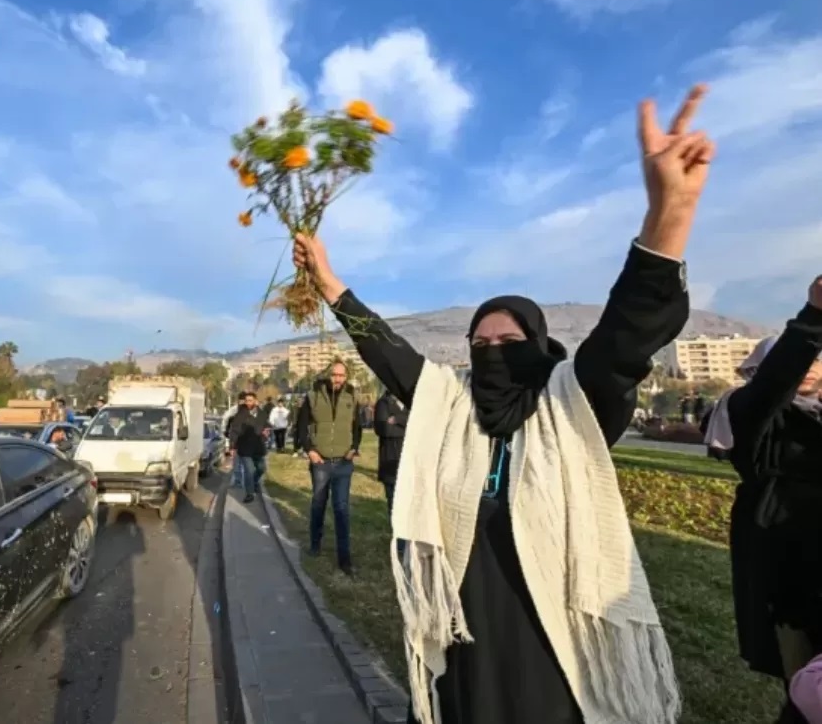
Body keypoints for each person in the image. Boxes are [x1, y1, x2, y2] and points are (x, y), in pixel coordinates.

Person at [291, 84, 713, 724]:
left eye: (508, 341)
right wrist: (330, 285)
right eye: (479, 342)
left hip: (555, 642)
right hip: (463, 638)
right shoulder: (452, 404)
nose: (491, 352)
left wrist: (669, 217)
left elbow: (629, 330)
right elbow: (391, 353)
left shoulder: (573, 402)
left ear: (540, 346)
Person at [702, 308, 822, 722]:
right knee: (803, 678)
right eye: (799, 359)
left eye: (817, 358)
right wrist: (811, 324)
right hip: (783, 561)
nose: (808, 369)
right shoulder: (749, 410)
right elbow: (772, 388)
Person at [295, 360, 362, 577]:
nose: (338, 379)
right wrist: (310, 450)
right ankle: (315, 544)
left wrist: (354, 448)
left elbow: (357, 427)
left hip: (343, 462)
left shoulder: (351, 397)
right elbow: (301, 426)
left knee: (341, 509)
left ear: (346, 377)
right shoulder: (313, 396)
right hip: (321, 462)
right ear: (328, 374)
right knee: (318, 504)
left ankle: (345, 558)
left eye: (342, 376)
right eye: (334, 375)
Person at [227, 392, 270, 503]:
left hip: (258, 447)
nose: (248, 403)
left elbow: (267, 426)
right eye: (246, 400)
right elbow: (234, 431)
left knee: (261, 468)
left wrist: (266, 433)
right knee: (249, 471)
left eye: (250, 400)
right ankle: (249, 493)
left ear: (256, 401)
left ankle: (254, 482)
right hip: (244, 448)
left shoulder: (262, 414)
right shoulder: (240, 414)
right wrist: (232, 446)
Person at [373, 389, 408, 520]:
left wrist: (397, 419)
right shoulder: (383, 403)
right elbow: (384, 429)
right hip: (389, 460)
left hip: (408, 462)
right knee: (393, 503)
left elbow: (420, 424)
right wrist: (407, 427)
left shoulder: (411, 402)